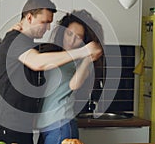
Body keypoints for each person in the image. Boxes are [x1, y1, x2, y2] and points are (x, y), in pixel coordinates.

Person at [0, 0, 103, 144]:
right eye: (44, 22)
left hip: (21, 124)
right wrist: (84, 51)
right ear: (29, 18)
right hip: (8, 123)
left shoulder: (23, 41)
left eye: (49, 23)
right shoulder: (16, 39)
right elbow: (37, 63)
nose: (48, 28)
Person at [36, 9, 104, 144]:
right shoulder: (57, 55)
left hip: (61, 123)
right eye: (69, 34)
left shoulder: (83, 60)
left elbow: (74, 85)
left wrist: (87, 58)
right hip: (46, 125)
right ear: (63, 32)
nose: (72, 40)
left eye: (78, 37)